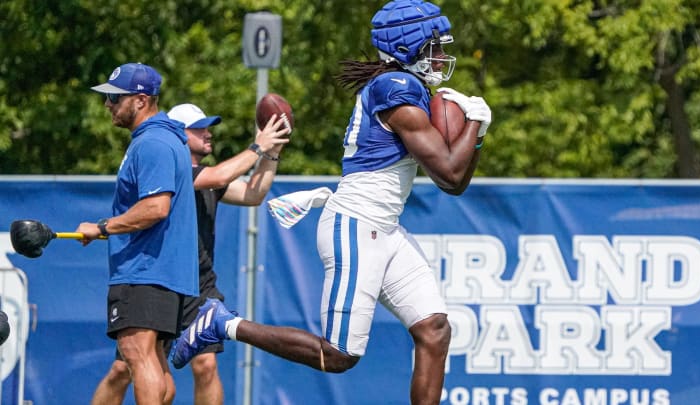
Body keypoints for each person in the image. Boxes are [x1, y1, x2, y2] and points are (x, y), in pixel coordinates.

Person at [171, 1, 492, 404]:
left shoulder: (405, 86)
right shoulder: (395, 88)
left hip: (385, 229)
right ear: (409, 46)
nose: (442, 57)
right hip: (356, 227)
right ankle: (223, 323)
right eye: (434, 47)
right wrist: (477, 125)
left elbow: (452, 173)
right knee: (338, 355)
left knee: (434, 329)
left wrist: (472, 131)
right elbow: (451, 177)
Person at [89, 103, 290, 405]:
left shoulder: (208, 176)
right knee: (125, 369)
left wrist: (272, 152)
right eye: (199, 128)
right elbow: (221, 176)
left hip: (199, 283)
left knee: (205, 364)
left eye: (208, 127)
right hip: (160, 279)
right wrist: (257, 146)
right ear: (180, 134)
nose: (208, 134)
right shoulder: (176, 166)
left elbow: (253, 193)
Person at [75, 62, 199, 405]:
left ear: (141, 100)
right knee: (153, 364)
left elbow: (155, 208)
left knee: (135, 353)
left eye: (115, 98)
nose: (108, 105)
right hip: (161, 271)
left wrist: (102, 227)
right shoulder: (164, 139)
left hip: (146, 270)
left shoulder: (153, 143)